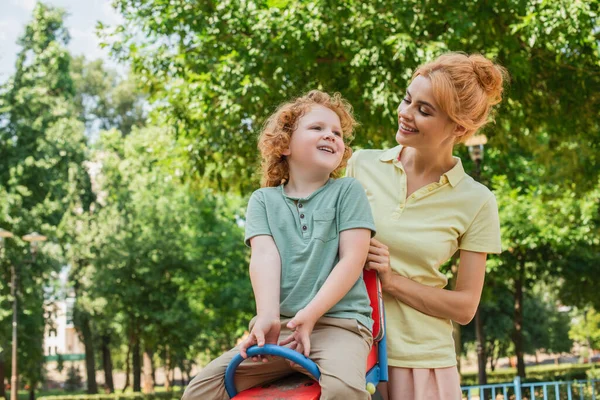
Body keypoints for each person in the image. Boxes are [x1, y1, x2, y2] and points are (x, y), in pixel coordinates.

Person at [182, 90, 377, 400]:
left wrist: (310, 315)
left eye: (337, 132)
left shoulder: (347, 192)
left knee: (343, 391)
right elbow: (264, 257)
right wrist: (268, 316)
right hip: (282, 331)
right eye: (317, 128)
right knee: (201, 391)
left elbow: (352, 259)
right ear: (284, 144)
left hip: (338, 326)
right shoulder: (263, 200)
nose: (331, 136)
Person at [346, 52, 507, 400]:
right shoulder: (361, 165)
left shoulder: (476, 200)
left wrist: (393, 281)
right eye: (408, 99)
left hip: (423, 363)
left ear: (459, 128)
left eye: (425, 110)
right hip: (351, 352)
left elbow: (465, 307)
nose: (406, 113)